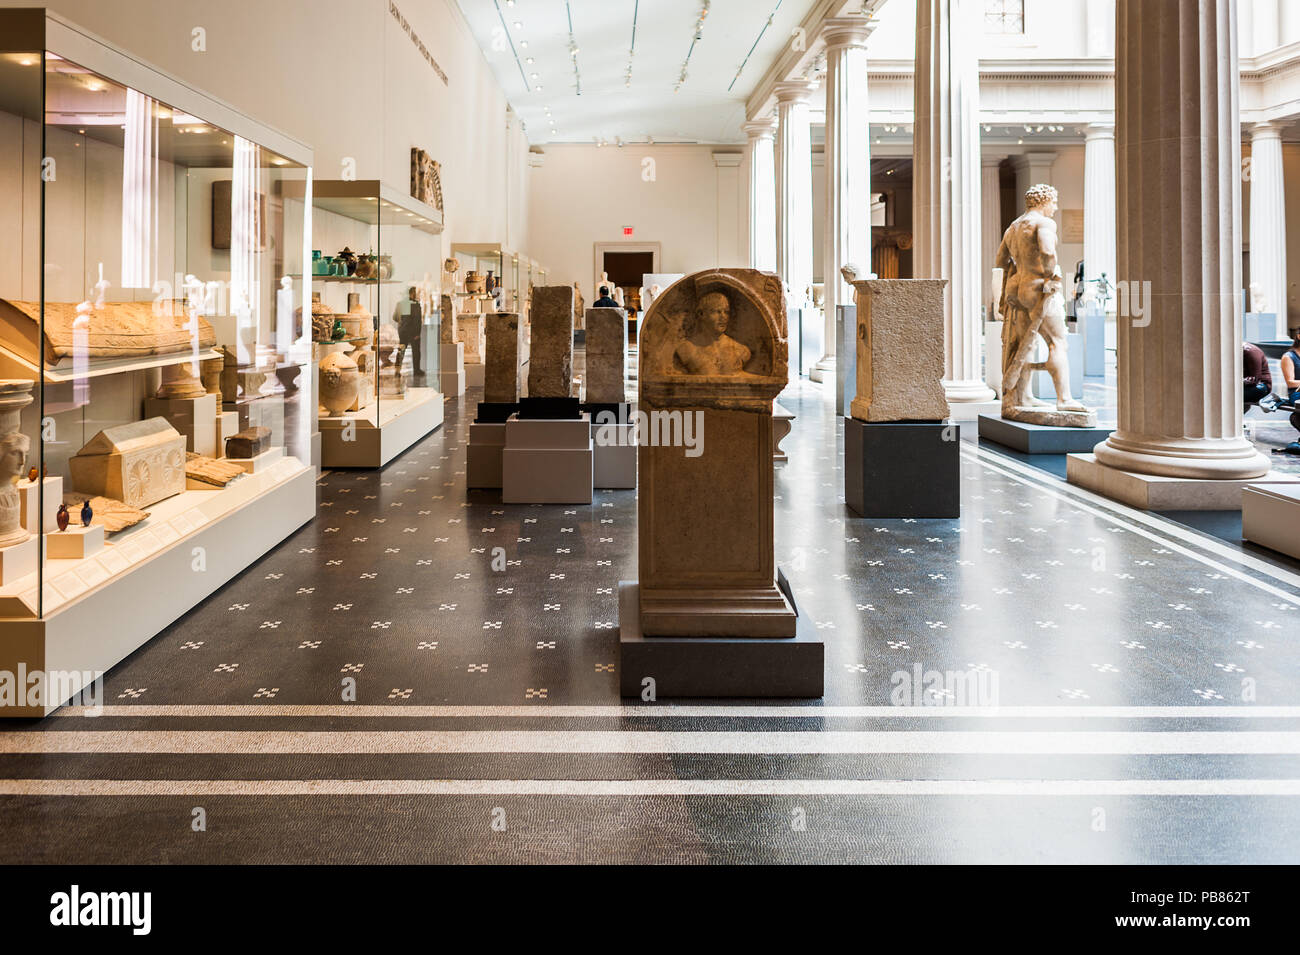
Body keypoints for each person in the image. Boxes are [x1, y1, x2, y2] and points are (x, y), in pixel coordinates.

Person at [673, 291, 750, 375]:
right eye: (717, 311)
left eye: (726, 312)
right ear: (701, 314)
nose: (723, 317)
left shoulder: (740, 350)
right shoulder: (686, 349)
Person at [396, 286, 423, 377]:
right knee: (416, 352)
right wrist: (417, 333)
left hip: (403, 331)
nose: (416, 294)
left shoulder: (401, 303)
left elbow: (395, 317)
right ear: (412, 293)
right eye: (415, 292)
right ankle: (416, 371)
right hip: (413, 332)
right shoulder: (415, 304)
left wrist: (401, 324)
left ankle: (397, 370)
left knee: (401, 351)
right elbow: (417, 320)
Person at [1243, 341, 1274, 407]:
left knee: (1228, 394)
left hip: (1262, 386)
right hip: (1246, 386)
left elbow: (1255, 379)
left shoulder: (1250, 351)